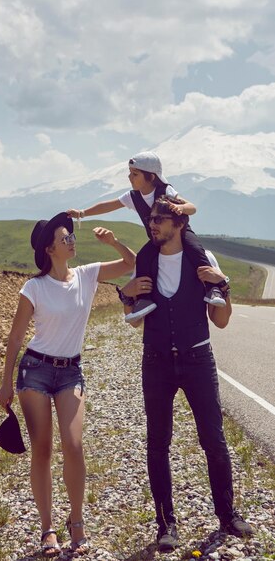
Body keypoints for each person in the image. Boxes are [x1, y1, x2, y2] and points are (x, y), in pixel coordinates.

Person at [117, 195, 253, 553]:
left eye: (160, 220)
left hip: (197, 360)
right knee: (158, 444)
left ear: (179, 224)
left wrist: (224, 286)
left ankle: (227, 515)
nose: (153, 225)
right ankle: (165, 525)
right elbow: (134, 321)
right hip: (156, 361)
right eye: (151, 220)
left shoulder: (202, 259)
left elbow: (220, 322)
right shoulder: (146, 260)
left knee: (214, 440)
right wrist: (125, 296)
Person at [0, 211, 135, 557]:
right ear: (49, 249)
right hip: (35, 372)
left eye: (72, 236)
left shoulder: (87, 276)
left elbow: (132, 263)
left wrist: (113, 241)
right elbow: (15, 339)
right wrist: (5, 384)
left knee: (74, 445)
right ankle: (47, 530)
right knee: (42, 450)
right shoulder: (34, 287)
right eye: (65, 238)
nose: (72, 241)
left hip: (71, 372)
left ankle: (77, 524)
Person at [67, 151, 226, 325]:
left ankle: (214, 289)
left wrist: (180, 208)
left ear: (151, 177)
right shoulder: (133, 197)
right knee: (142, 258)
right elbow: (109, 205)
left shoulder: (166, 191)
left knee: (197, 251)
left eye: (135, 174)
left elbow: (192, 207)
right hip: (156, 240)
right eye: (130, 173)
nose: (130, 177)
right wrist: (82, 213)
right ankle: (144, 299)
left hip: (180, 233)